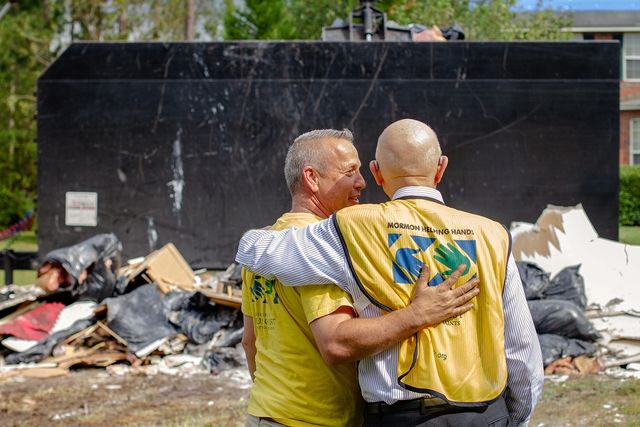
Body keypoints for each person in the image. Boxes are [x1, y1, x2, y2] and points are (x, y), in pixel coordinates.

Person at [236, 119, 544, 427]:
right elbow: (521, 350)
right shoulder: (493, 235)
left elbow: (258, 255)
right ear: (440, 167)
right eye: (348, 172)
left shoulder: (357, 229)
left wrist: (253, 237)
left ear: (377, 172)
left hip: (400, 417)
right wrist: (513, 418)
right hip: (486, 414)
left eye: (361, 172)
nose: (361, 183)